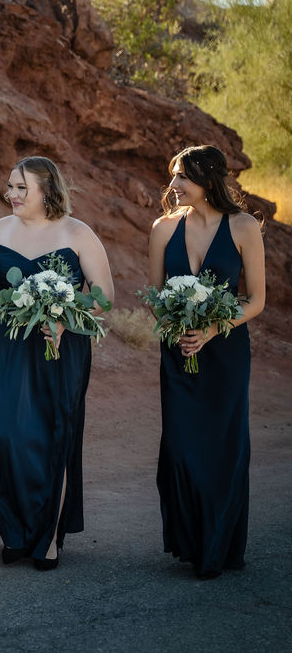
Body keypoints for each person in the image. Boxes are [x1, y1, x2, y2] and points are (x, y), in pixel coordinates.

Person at [0, 156, 113, 570]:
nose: (11, 194)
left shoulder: (78, 233)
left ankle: (46, 538)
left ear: (47, 190)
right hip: (8, 345)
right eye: (10, 186)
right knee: (4, 437)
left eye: (21, 188)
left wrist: (65, 319)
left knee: (53, 439)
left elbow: (104, 295)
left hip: (61, 347)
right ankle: (14, 530)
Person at [147, 145, 265, 579]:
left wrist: (213, 329)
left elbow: (256, 299)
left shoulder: (243, 226)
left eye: (184, 177)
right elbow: (157, 297)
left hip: (225, 353)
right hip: (178, 352)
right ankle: (191, 539)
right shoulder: (163, 229)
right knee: (180, 448)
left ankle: (217, 547)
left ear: (209, 179)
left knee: (223, 449)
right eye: (174, 176)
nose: (174, 186)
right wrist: (177, 325)